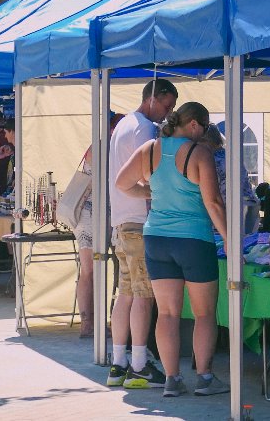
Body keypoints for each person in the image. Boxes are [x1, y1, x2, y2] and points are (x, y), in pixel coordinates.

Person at [116, 102, 229, 398]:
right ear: (194, 125)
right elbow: (214, 202)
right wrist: (229, 237)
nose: (204, 134)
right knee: (204, 314)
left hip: (156, 237)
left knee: (167, 314)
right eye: (204, 128)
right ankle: (204, 377)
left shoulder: (150, 149)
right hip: (194, 239)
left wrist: (151, 191)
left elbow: (122, 183)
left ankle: (171, 379)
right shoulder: (198, 152)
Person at [106, 78, 179, 389]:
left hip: (120, 221)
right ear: (153, 97)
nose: (167, 113)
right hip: (139, 221)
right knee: (143, 296)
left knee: (125, 294)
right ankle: (138, 365)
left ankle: (119, 362)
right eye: (166, 105)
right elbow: (148, 174)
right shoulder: (146, 130)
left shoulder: (123, 124)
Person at [74, 114, 122, 338]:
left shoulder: (100, 146)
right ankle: (90, 322)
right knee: (92, 270)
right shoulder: (105, 147)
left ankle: (90, 322)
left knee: (90, 271)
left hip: (97, 213)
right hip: (94, 213)